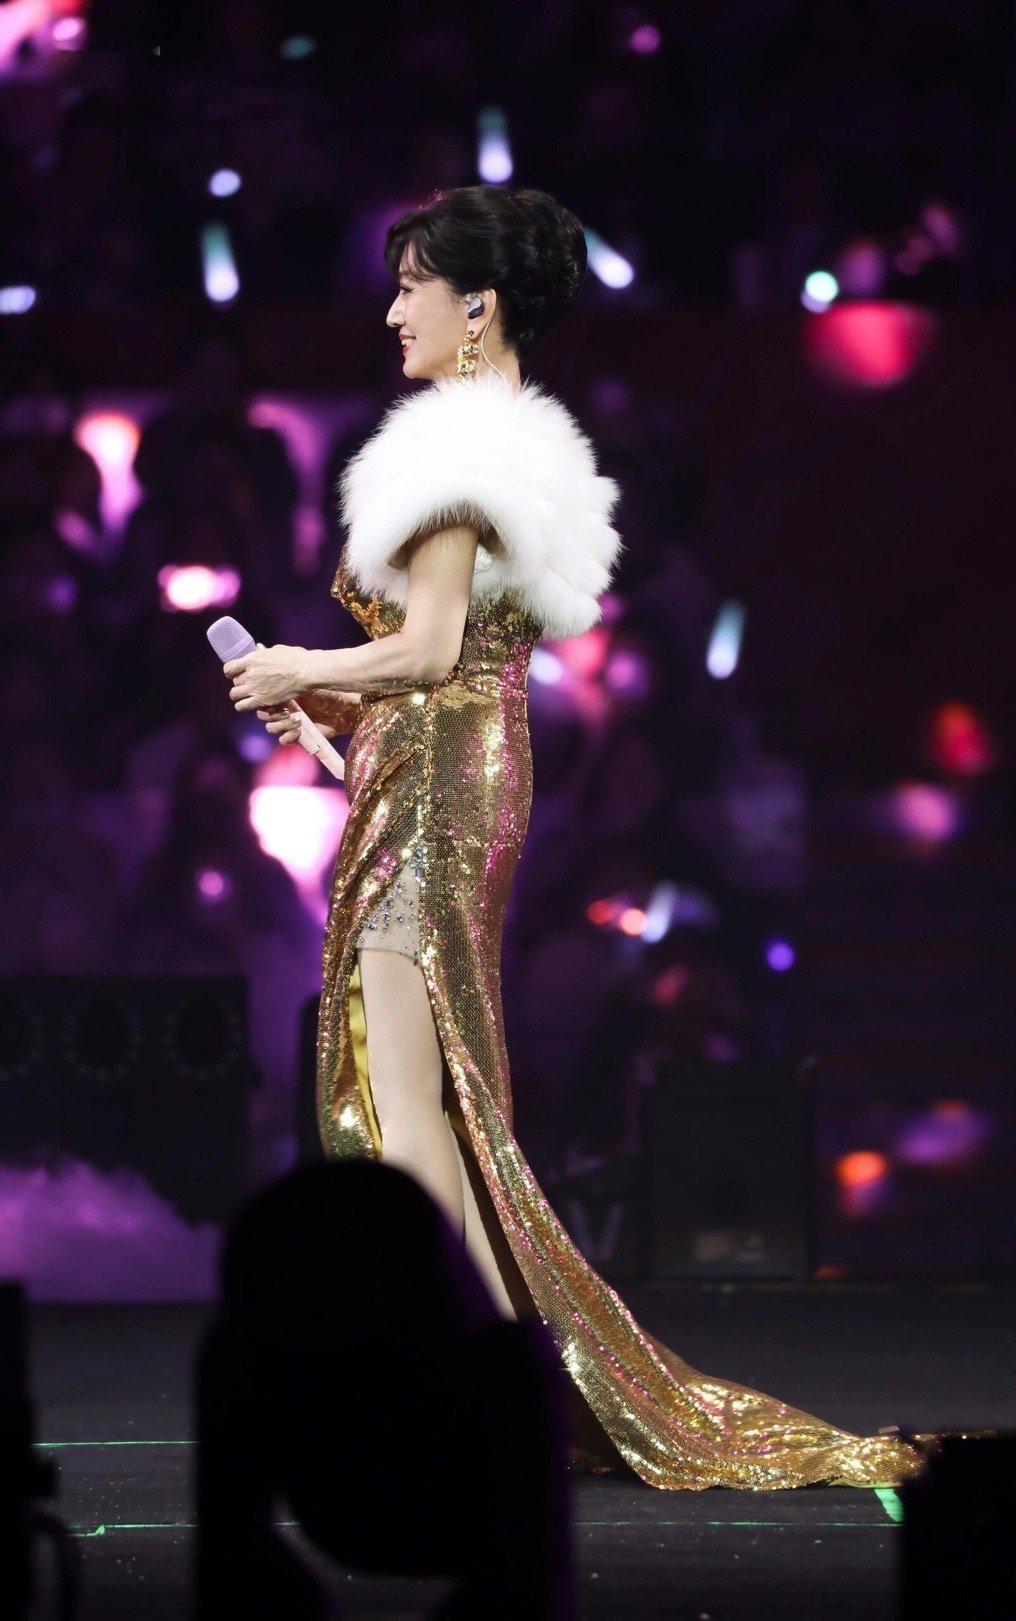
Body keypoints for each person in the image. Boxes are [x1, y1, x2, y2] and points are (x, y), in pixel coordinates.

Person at [223, 184, 938, 1490]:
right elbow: (455, 664)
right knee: (427, 1100)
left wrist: (295, 665)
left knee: (411, 1103)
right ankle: (497, 1386)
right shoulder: (501, 440)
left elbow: (430, 649)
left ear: (478, 304)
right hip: (451, 761)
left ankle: (488, 1394)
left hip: (437, 779)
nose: (390, 313)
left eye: (412, 287)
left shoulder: (454, 450)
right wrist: (333, 706)